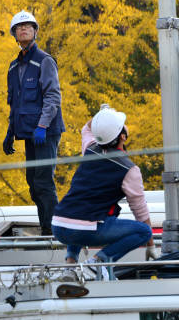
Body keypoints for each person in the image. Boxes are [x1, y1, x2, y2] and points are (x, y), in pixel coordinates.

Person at [52, 105, 155, 280]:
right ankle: (97, 263)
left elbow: (87, 127)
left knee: (79, 216)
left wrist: (102, 115)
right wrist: (150, 245)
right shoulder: (129, 169)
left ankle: (70, 266)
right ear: (123, 136)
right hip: (83, 231)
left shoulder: (90, 148)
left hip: (58, 225)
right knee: (144, 231)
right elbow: (140, 211)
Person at [2, 11, 65, 235]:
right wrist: (10, 133)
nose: (24, 29)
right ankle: (46, 225)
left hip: (45, 132)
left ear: (35, 31)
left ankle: (53, 230)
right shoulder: (13, 67)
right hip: (28, 132)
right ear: (15, 35)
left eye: (28, 26)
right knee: (33, 182)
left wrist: (42, 126)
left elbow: (53, 97)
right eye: (19, 28)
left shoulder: (44, 61)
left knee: (43, 181)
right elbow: (15, 104)